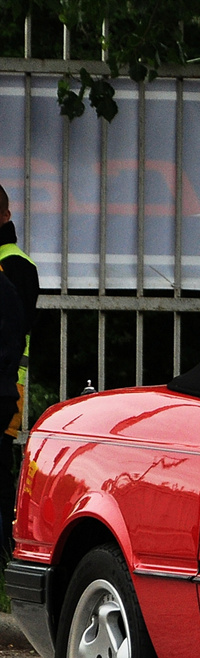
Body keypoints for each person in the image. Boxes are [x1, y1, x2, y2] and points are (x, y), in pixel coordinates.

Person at [0, 184, 38, 558]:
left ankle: (7, 553)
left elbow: (14, 329)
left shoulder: (16, 265)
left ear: (6, 217)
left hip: (8, 383)